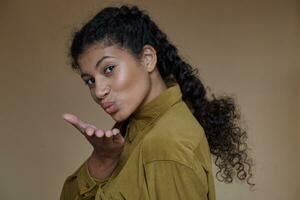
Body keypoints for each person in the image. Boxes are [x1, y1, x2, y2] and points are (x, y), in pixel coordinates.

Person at [60, 5, 253, 200]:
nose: (99, 92)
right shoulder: (131, 128)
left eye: (109, 69)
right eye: (90, 81)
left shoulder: (166, 146)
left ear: (147, 59)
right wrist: (102, 161)